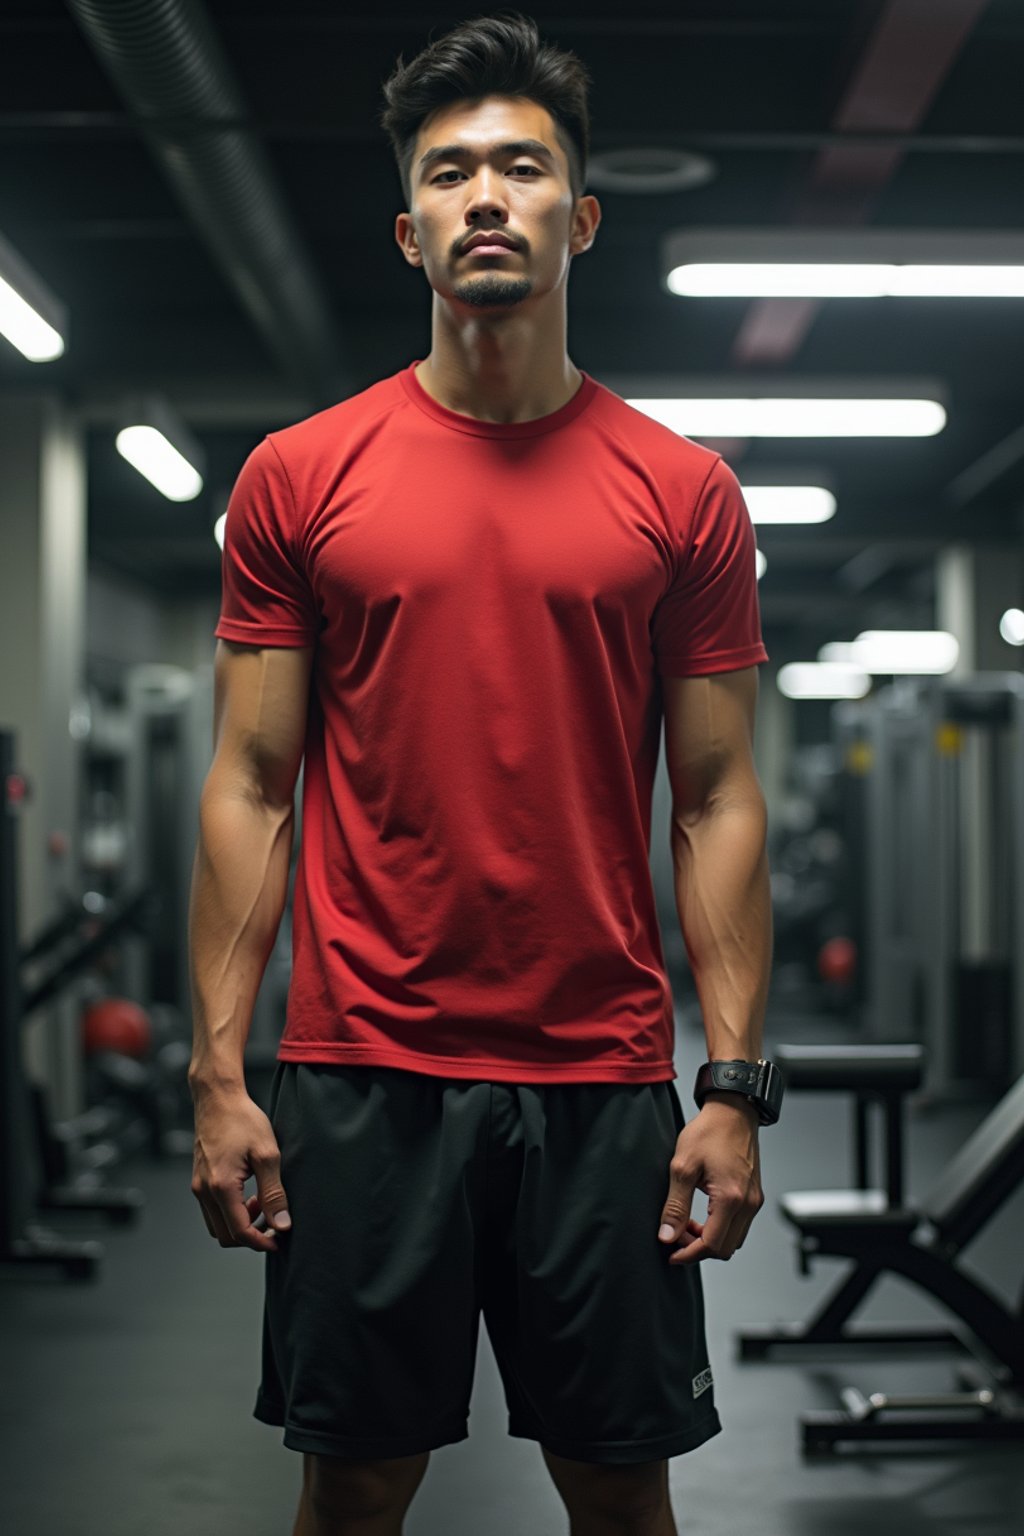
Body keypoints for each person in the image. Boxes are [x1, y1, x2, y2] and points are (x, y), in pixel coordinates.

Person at [188, 11, 775, 1536]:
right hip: (365, 1069)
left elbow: (717, 800)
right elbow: (253, 779)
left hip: (599, 1079)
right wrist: (216, 1070)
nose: (488, 198)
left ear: (579, 217)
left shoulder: (684, 491)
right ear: (409, 229)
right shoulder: (301, 477)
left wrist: (734, 1088)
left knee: (618, 1486)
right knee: (359, 1483)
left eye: (523, 167)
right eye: (452, 175)